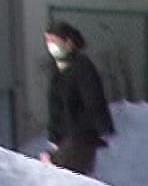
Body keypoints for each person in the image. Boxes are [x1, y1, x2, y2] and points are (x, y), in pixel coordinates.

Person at [42, 22, 115, 177]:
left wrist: (102, 127)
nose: (50, 45)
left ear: (68, 42)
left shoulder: (82, 67)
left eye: (53, 41)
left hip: (82, 134)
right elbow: (55, 108)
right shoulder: (57, 70)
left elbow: (93, 100)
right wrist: (53, 138)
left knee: (64, 171)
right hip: (65, 136)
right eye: (47, 41)